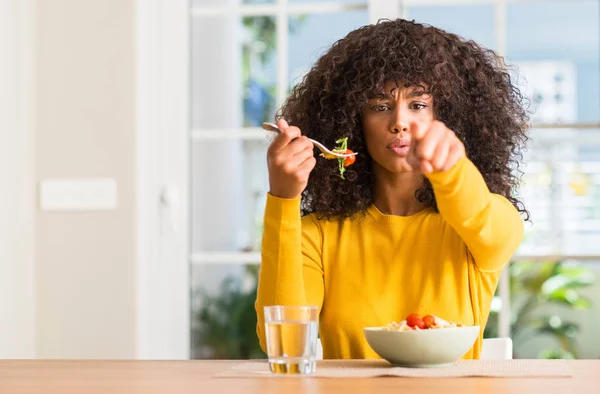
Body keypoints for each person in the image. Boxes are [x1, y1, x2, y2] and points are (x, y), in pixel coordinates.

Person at [255, 18, 529, 359]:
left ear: (451, 118)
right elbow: (281, 342)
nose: (399, 122)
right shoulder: (318, 236)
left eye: (418, 105)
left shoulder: (479, 229)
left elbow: (478, 215)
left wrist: (452, 168)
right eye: (380, 106)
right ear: (354, 123)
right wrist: (283, 199)